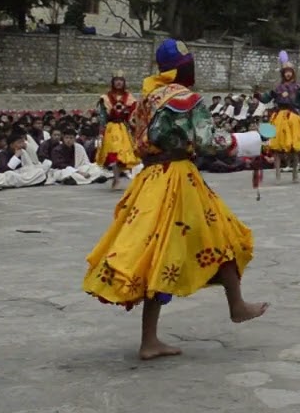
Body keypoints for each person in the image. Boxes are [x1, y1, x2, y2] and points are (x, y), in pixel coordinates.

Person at [82, 38, 267, 360]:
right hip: (178, 178)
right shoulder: (185, 99)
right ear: (184, 67)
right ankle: (231, 306)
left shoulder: (149, 97)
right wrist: (247, 141)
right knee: (217, 236)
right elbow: (208, 141)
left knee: (166, 249)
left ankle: (161, 335)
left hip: (151, 178)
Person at [257, 52, 300, 183]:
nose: (288, 74)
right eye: (286, 71)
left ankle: (295, 175)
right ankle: (277, 175)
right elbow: (266, 98)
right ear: (283, 73)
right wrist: (258, 94)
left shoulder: (298, 87)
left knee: (295, 147)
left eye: (290, 71)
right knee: (276, 147)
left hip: (293, 116)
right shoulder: (277, 88)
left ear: (293, 73)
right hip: (279, 117)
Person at [96, 70, 139, 190]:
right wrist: (101, 131)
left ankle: (117, 175)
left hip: (123, 129)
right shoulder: (105, 98)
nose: (119, 83)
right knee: (113, 153)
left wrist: (134, 127)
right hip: (111, 128)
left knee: (122, 154)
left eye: (121, 80)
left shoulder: (129, 98)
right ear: (113, 82)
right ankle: (116, 177)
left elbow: (133, 115)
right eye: (116, 80)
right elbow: (102, 116)